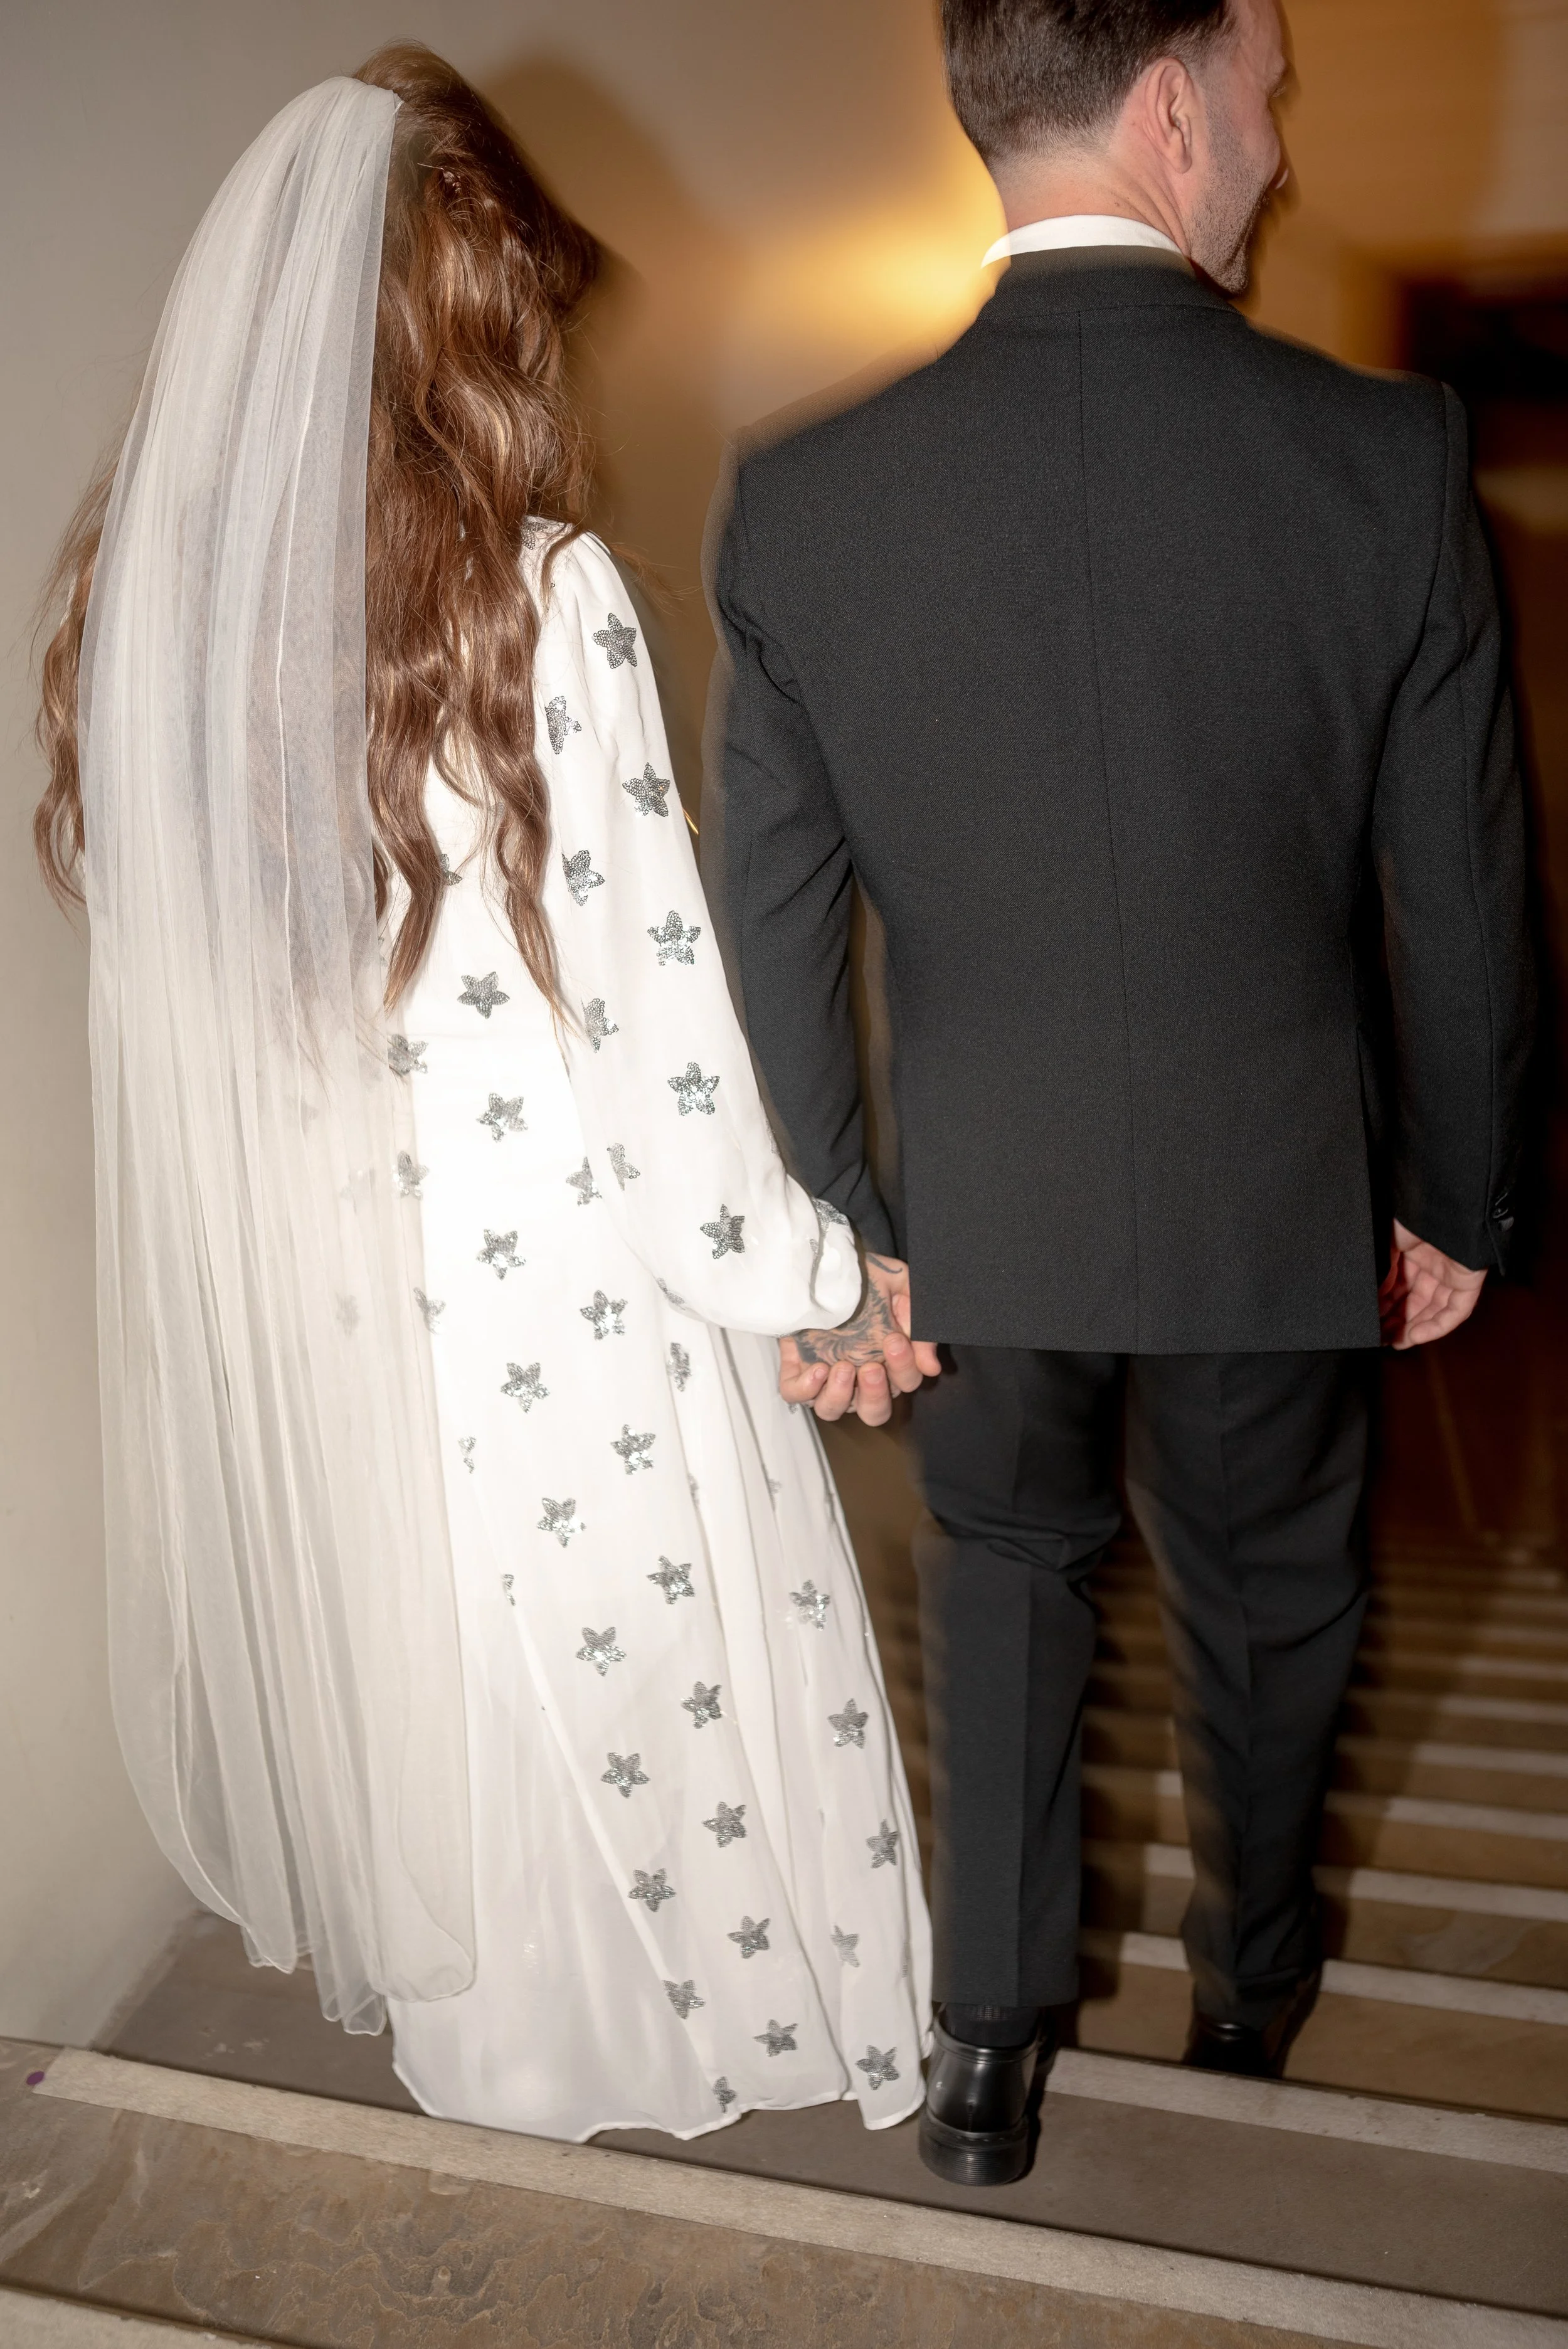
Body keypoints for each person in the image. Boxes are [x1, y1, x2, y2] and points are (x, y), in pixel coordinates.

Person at [34, 47, 930, 2143]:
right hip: (569, 1296)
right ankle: (693, 2029)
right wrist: (805, 1272)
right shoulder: (542, 603)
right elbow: (655, 1034)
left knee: (464, 1659)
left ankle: (514, 2054)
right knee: (641, 1650)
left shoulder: (156, 642)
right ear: (479, 305)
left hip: (342, 1298)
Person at [709, 0, 1532, 2185]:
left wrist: (834, 1227)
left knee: (996, 1571)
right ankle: (1251, 1977)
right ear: (1175, 105)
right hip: (1274, 1190)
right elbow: (1460, 893)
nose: (1276, 140)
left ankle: (988, 2052)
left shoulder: (799, 492)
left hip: (971, 1202)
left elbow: (767, 916)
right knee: (1269, 1602)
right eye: (1267, 88)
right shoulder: (1382, 456)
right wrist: (1456, 1190)